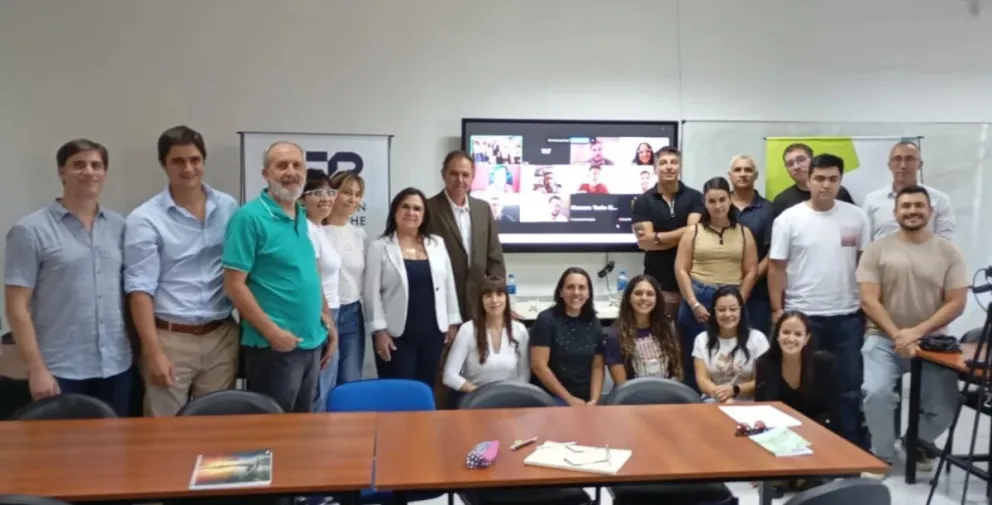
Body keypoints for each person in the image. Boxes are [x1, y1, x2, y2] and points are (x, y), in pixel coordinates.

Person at [4, 139, 133, 416]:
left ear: (104, 174)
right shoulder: (30, 230)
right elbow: (16, 307)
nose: (89, 172)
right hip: (60, 368)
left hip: (116, 364)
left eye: (96, 165)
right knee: (60, 455)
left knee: (116, 452)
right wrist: (36, 369)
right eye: (79, 165)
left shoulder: (121, 227)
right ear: (61, 172)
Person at [124, 126, 240, 417]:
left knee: (217, 429)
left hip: (221, 335)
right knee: (164, 434)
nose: (188, 168)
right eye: (178, 161)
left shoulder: (227, 207)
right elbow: (139, 290)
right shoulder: (144, 219)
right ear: (164, 164)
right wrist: (152, 352)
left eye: (195, 159)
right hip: (171, 338)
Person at [857, 185, 967, 477]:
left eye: (919, 206)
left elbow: (956, 302)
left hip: (933, 342)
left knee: (945, 407)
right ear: (896, 213)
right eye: (906, 207)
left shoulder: (949, 252)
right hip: (883, 337)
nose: (912, 211)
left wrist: (916, 332)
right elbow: (868, 299)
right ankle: (882, 454)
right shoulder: (876, 250)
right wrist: (897, 334)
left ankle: (917, 441)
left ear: (930, 211)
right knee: (876, 393)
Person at [222, 141, 333, 413]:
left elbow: (309, 273)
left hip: (311, 342)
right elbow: (234, 286)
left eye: (297, 165)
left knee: (302, 431)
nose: (291, 171)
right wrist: (272, 333)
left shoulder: (301, 216)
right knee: (273, 434)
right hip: (274, 349)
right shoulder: (249, 218)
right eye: (282, 165)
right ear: (266, 173)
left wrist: (327, 320)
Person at [768, 153, 870, 447]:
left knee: (848, 389)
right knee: (801, 389)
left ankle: (847, 452)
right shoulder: (789, 219)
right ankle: (800, 452)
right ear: (808, 179)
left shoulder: (856, 216)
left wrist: (866, 310)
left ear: (840, 181)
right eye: (820, 178)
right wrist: (778, 310)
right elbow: (776, 267)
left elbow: (864, 264)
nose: (826, 185)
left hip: (847, 316)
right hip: (803, 317)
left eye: (833, 179)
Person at [426, 151, 506, 406]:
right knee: (441, 366)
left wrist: (498, 298)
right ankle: (438, 419)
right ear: (443, 175)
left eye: (465, 174)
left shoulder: (483, 209)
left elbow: (494, 257)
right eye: (454, 173)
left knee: (474, 363)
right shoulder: (428, 208)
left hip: (478, 302)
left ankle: (469, 412)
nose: (460, 179)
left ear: (472, 178)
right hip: (440, 304)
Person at [365, 188, 462, 386]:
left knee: (426, 390)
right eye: (406, 207)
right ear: (395, 211)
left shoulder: (437, 244)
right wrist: (379, 331)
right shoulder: (380, 246)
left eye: (417, 209)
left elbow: (448, 284)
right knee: (398, 395)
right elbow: (370, 293)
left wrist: (452, 323)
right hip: (396, 336)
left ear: (424, 215)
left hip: (433, 334)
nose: (411, 212)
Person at [674, 177, 758, 391]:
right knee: (693, 360)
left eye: (722, 199)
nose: (718, 206)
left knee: (732, 359)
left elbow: (751, 271)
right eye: (712, 201)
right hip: (698, 298)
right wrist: (694, 304)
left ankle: (727, 400)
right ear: (705, 202)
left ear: (730, 200)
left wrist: (737, 304)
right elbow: (681, 269)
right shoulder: (693, 232)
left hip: (732, 299)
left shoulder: (743, 232)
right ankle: (693, 406)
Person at [755, 310, 840, 495]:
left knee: (811, 487)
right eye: (785, 332)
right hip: (779, 435)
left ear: (807, 338)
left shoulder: (825, 364)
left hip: (815, 432)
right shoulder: (764, 364)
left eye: (798, 334)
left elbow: (832, 410)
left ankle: (804, 474)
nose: (791, 338)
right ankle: (782, 476)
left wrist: (805, 434)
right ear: (777, 335)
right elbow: (761, 409)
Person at [631, 147, 704, 319]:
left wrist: (657, 237)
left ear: (680, 167)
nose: (669, 167)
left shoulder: (696, 197)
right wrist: (682, 236)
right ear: (655, 169)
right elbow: (644, 242)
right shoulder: (642, 202)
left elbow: (694, 234)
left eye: (673, 162)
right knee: (661, 341)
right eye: (663, 163)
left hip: (693, 285)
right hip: (657, 286)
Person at [442, 276, 530, 406]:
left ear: (506, 298)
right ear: (481, 300)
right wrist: (484, 395)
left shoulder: (519, 330)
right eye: (488, 295)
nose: (494, 300)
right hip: (475, 398)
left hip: (510, 398)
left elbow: (524, 375)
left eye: (499, 294)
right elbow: (449, 376)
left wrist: (510, 396)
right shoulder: (468, 330)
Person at [530, 267, 605, 406]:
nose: (576, 292)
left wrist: (594, 401)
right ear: (561, 292)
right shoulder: (546, 319)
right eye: (570, 287)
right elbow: (538, 365)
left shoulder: (594, 322)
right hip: (549, 398)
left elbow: (598, 367)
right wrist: (569, 399)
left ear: (589, 293)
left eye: (581, 287)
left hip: (584, 399)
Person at [300, 169, 342, 412]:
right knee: (318, 390)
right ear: (301, 199)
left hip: (330, 311)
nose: (326, 198)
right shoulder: (306, 230)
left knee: (326, 387)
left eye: (329, 192)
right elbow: (313, 282)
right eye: (317, 193)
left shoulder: (319, 229)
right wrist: (329, 323)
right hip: (321, 315)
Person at [862, 140, 954, 241]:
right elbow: (866, 242)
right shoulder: (872, 200)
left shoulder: (940, 200)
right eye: (897, 159)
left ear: (920, 164)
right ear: (889, 165)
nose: (903, 165)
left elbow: (945, 242)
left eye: (909, 159)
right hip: (884, 256)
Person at [692, 286, 769, 404]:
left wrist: (734, 390)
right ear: (714, 312)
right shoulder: (702, 339)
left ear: (741, 311)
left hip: (749, 403)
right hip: (714, 399)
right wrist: (724, 397)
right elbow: (702, 379)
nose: (727, 314)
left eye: (733, 309)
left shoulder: (758, 338)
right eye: (721, 309)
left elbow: (761, 380)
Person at [326, 170, 367, 384]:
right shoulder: (315, 230)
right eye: (347, 193)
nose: (353, 199)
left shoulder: (359, 234)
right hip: (323, 314)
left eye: (357, 194)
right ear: (333, 193)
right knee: (322, 382)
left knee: (350, 381)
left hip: (352, 313)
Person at [604, 274, 682, 385]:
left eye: (650, 294)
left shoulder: (667, 329)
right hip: (632, 398)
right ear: (629, 298)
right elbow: (622, 385)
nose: (644, 298)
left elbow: (677, 372)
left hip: (666, 395)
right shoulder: (616, 335)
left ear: (657, 299)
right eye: (638, 293)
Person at [727, 155, 774, 334]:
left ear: (756, 175)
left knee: (756, 348)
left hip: (758, 294)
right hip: (721, 289)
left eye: (748, 170)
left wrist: (749, 280)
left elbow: (772, 253)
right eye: (738, 170)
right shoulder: (718, 207)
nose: (743, 174)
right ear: (730, 175)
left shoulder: (768, 209)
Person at [771, 143, 855, 218]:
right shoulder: (781, 201)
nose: (796, 167)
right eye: (790, 164)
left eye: (801, 160)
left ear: (812, 160)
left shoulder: (838, 192)